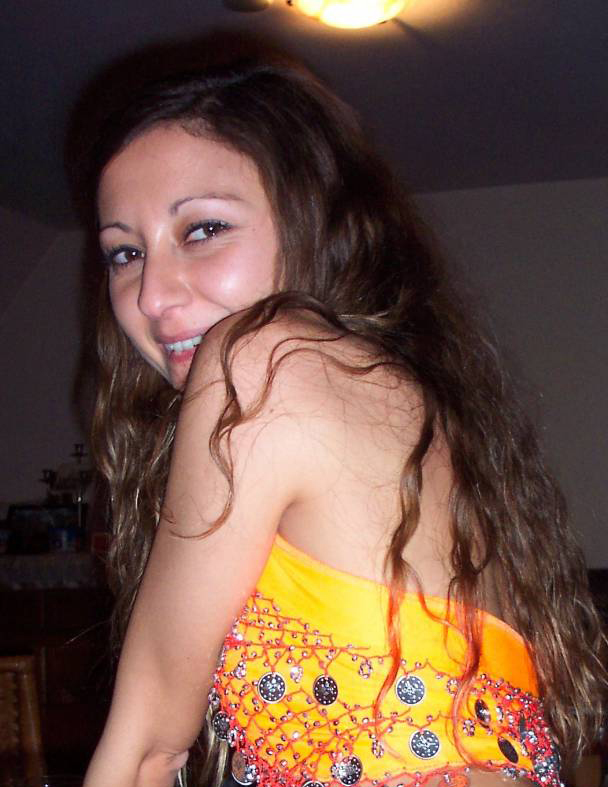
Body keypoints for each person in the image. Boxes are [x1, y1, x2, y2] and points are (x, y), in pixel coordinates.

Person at [82, 53, 605, 787]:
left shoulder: (263, 358)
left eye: (203, 229)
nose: (151, 294)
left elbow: (147, 748)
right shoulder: (397, 400)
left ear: (315, 225)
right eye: (126, 253)